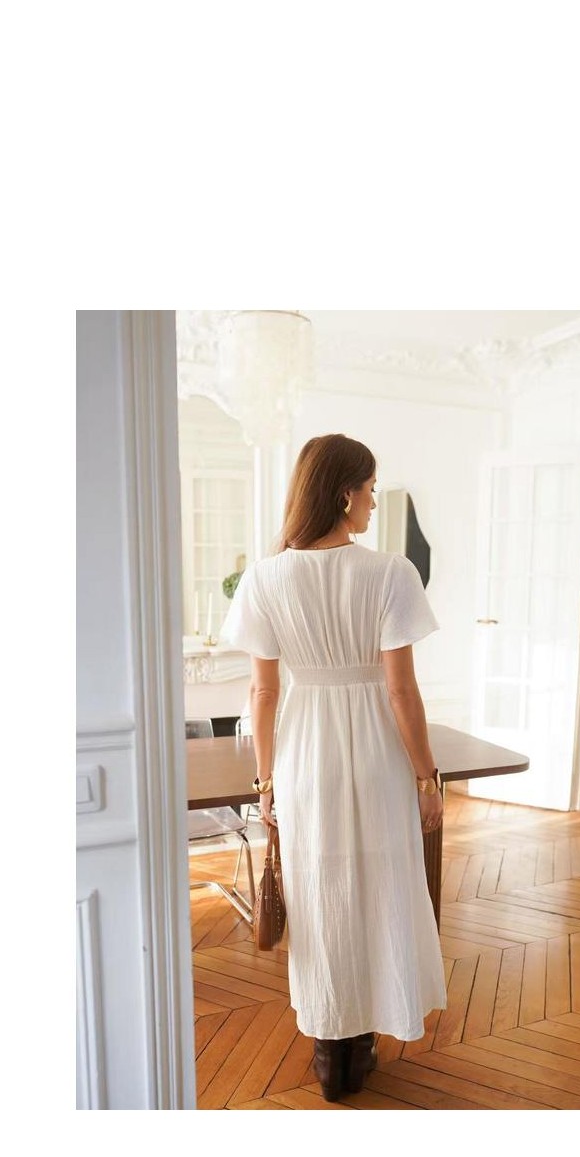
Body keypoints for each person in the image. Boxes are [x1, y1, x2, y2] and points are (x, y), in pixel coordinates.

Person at [219, 433, 447, 1102]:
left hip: (304, 755)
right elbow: (401, 692)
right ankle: (367, 1033)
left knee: (320, 894)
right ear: (345, 493)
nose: (373, 502)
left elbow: (264, 692)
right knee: (382, 885)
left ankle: (330, 1051)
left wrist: (266, 782)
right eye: (370, 489)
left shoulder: (265, 578)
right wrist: (427, 777)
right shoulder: (391, 574)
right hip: (377, 753)